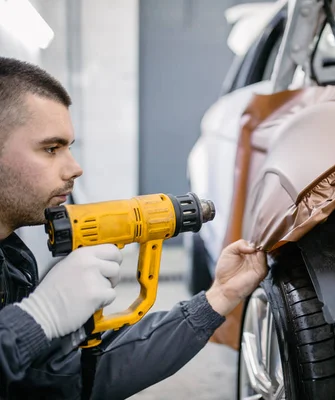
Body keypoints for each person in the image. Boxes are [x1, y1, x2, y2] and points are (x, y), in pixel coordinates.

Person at [0, 56, 268, 399]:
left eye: (69, 147)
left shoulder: (12, 259)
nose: (75, 168)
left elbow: (55, 383)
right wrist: (39, 317)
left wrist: (219, 297)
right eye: (51, 149)